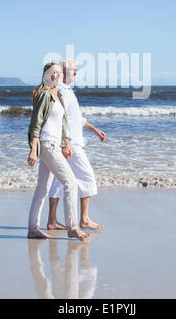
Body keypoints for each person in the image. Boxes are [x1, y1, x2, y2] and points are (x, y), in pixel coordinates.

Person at [27, 62, 90, 241]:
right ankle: (72, 227)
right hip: (46, 144)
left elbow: (62, 125)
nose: (59, 75)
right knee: (70, 182)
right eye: (54, 72)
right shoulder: (45, 95)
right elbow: (35, 124)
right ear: (49, 75)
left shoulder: (59, 96)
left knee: (43, 188)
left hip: (55, 144)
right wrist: (33, 150)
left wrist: (65, 144)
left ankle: (33, 229)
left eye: (60, 72)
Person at [47, 59, 105, 231]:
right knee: (87, 176)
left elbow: (76, 118)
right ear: (64, 73)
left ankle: (52, 220)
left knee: (58, 182)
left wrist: (94, 129)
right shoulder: (61, 92)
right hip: (70, 143)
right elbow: (59, 118)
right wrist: (66, 142)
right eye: (74, 70)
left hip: (69, 142)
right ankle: (84, 219)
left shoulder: (67, 91)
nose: (76, 73)